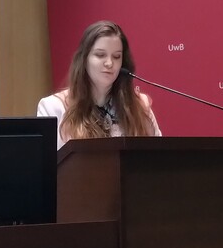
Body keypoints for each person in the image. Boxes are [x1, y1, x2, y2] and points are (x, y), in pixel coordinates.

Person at [37, 20, 162, 150]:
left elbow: (158, 157)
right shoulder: (53, 107)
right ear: (84, 59)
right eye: (100, 55)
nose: (109, 63)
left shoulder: (140, 105)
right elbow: (45, 161)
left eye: (116, 56)